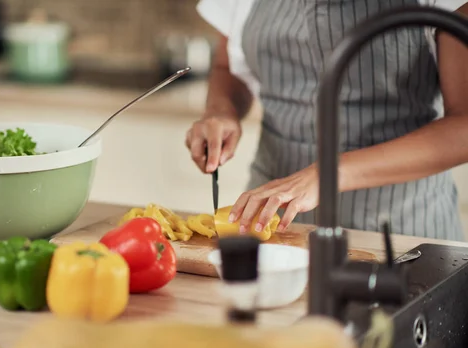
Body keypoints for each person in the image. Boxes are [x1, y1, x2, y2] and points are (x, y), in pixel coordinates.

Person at [186, 0, 468, 241]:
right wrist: (220, 111)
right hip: (272, 227)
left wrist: (330, 173)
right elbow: (228, 66)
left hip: (402, 232)